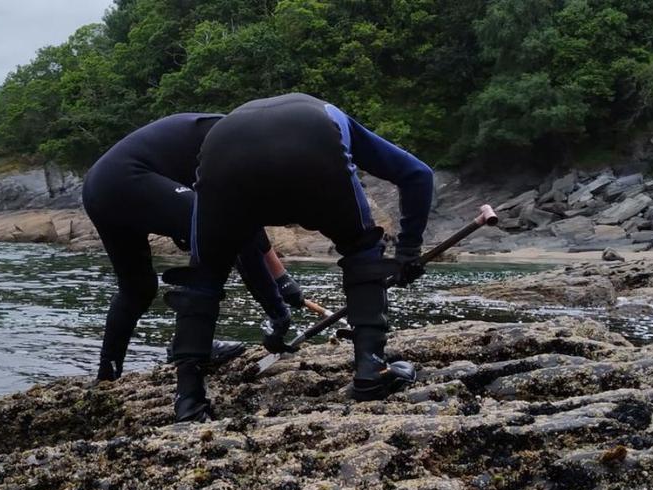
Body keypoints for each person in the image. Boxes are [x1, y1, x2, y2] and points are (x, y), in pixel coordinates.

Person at [162, 93, 434, 422]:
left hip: (222, 153)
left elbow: (239, 250)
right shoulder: (333, 116)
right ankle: (371, 371)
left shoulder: (232, 123)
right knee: (362, 248)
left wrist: (277, 312)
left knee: (204, 276)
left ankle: (188, 401)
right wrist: (407, 252)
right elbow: (418, 174)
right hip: (314, 143)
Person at [82, 113, 307, 383]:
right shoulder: (244, 144)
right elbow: (237, 234)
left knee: (138, 288)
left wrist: (283, 281)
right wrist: (277, 310)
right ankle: (188, 346)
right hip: (128, 178)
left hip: (99, 187)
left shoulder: (248, 143)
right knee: (220, 231)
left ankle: (107, 374)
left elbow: (251, 227)